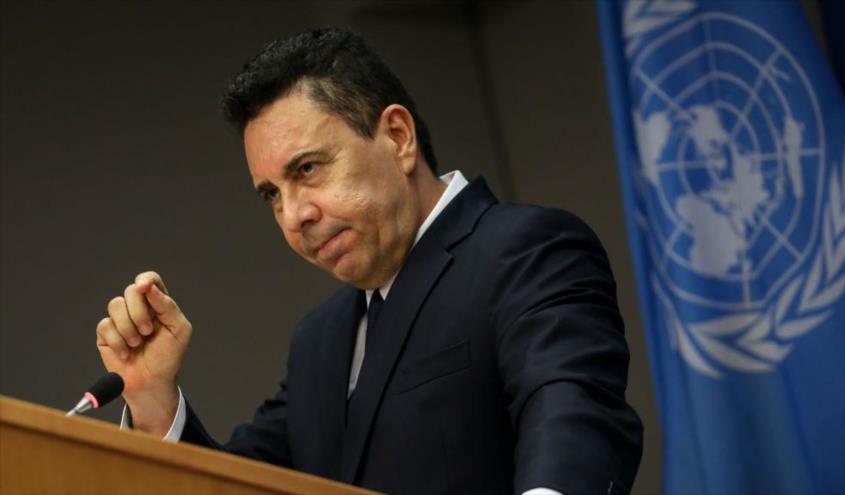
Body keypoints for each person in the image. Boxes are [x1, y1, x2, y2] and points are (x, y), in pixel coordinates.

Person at [95, 27, 643, 494]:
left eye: (307, 169)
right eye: (271, 195)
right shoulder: (320, 340)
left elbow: (571, 416)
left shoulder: (525, 249)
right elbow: (239, 484)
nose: (293, 215)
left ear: (398, 137)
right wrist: (154, 401)